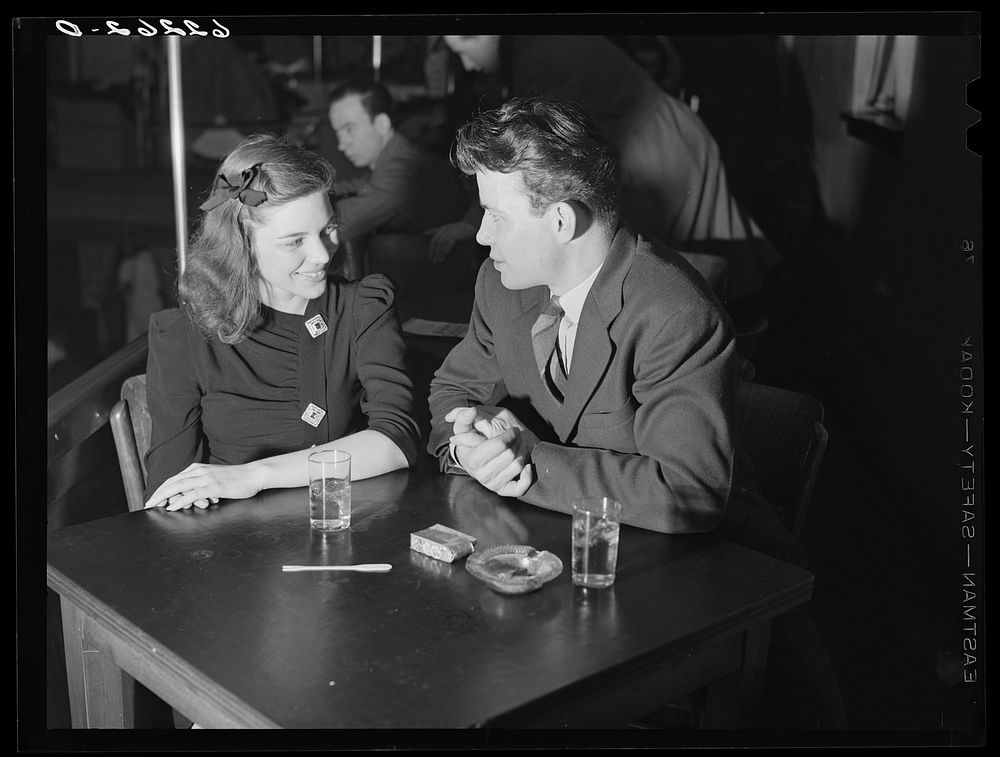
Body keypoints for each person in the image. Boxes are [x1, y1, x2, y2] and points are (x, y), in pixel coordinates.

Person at [427, 96, 846, 729]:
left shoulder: (674, 310)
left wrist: (527, 464)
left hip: (707, 588)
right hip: (561, 571)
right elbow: (453, 389)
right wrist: (469, 442)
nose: (480, 235)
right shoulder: (501, 282)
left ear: (561, 221)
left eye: (492, 214)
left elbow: (690, 492)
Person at [142, 133, 421, 512]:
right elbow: (168, 493)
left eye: (328, 229)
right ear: (242, 243)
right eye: (295, 242)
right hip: (234, 550)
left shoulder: (362, 307)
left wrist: (252, 476)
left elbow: (396, 439)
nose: (322, 254)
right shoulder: (184, 336)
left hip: (341, 531)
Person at [432, 35, 782, 327]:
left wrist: (471, 221)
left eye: (464, 47)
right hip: (650, 140)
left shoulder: (538, 53)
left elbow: (523, 159)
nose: (466, 64)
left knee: (674, 268)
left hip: (658, 148)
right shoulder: (532, 46)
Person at [327, 79, 481, 294]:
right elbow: (361, 185)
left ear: (381, 124)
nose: (342, 145)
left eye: (350, 129)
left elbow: (343, 222)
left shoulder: (403, 166)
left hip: (445, 278)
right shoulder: (394, 157)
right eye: (338, 133)